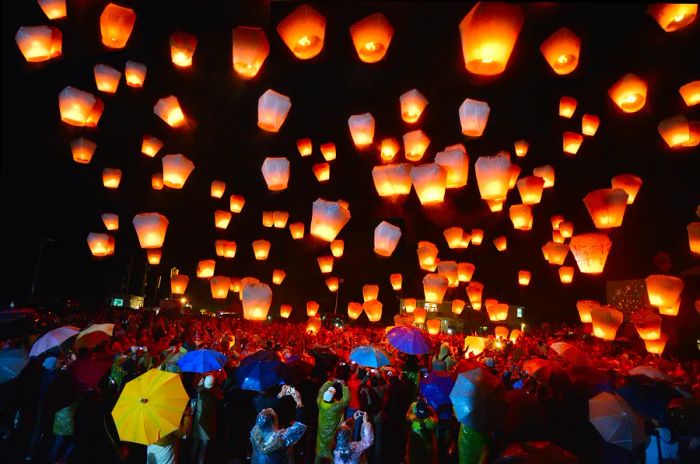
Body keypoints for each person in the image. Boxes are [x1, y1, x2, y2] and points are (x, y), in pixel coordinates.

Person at [250, 386, 307, 464]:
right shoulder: (280, 439)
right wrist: (299, 402)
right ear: (274, 421)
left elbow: (266, 415)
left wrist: (280, 395)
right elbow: (300, 427)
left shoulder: (255, 432)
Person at [316, 380, 350, 464]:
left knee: (319, 452)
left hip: (321, 433)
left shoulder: (320, 402)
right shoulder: (335, 406)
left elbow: (321, 391)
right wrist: (344, 386)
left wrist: (329, 382)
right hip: (332, 435)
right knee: (331, 454)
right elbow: (346, 399)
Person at [190, 375, 221, 464]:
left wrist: (199, 385)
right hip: (207, 423)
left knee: (195, 443)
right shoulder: (213, 397)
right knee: (203, 447)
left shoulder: (198, 392)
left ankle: (191, 461)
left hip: (198, 421)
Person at [405, 399, 438, 464]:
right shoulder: (415, 419)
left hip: (425, 452)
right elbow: (409, 440)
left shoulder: (429, 421)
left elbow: (433, 440)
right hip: (417, 453)